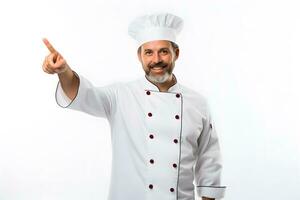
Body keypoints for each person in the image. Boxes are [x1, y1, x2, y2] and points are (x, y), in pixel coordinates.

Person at [42, 13, 226, 200]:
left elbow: (209, 158)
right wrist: (64, 72)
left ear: (175, 54)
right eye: (148, 52)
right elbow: (83, 95)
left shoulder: (197, 103)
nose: (156, 60)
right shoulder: (120, 95)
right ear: (139, 56)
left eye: (163, 51)